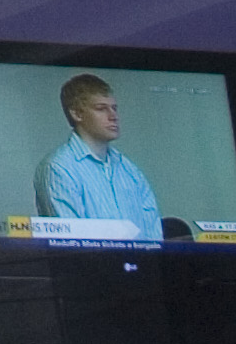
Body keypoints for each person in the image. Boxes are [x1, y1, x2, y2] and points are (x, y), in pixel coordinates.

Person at [35, 73, 164, 239]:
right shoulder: (58, 168)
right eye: (101, 109)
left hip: (141, 257)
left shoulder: (129, 169)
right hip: (89, 257)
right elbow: (70, 242)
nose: (113, 116)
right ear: (77, 114)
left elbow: (154, 237)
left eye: (114, 108)